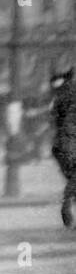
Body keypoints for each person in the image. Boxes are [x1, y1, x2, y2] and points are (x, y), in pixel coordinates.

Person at [51, 66, 76, 227]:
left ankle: (69, 201)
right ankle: (68, 201)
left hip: (60, 144)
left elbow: (56, 119)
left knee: (73, 177)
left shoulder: (59, 96)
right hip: (72, 142)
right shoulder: (71, 94)